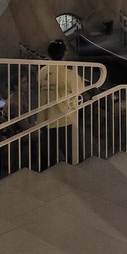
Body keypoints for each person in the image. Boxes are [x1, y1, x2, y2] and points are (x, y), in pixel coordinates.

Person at [34, 39, 84, 169]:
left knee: (48, 156)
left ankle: (51, 179)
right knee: (73, 155)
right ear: (65, 53)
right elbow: (81, 92)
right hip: (63, 119)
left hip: (44, 119)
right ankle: (75, 177)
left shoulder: (41, 72)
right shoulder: (69, 75)